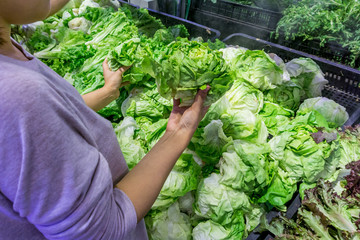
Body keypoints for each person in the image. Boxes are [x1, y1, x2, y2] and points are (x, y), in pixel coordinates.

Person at [0, 0, 210, 239]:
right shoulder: (16, 95)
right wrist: (178, 132)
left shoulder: (8, 52)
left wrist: (108, 92)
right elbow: (103, 231)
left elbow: (53, 118)